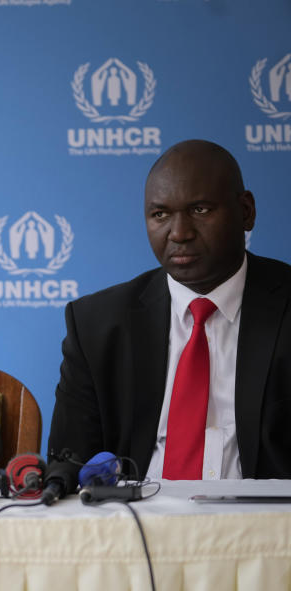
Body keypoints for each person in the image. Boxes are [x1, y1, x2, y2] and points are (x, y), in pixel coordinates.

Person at [48, 139, 291, 484]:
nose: (179, 233)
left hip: (267, 528)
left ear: (246, 211)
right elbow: (69, 462)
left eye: (201, 210)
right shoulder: (96, 324)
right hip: (135, 525)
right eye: (160, 214)